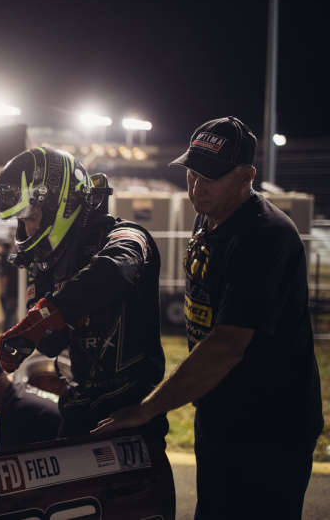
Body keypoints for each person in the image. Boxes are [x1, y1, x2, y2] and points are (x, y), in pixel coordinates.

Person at [92, 117, 324, 520]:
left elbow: (227, 345)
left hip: (270, 431)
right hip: (221, 416)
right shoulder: (210, 214)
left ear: (246, 177)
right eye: (192, 174)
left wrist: (149, 408)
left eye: (211, 178)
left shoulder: (265, 237)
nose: (197, 188)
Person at [0, 147, 168, 443]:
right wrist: (41, 289)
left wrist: (44, 314)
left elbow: (115, 270)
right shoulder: (48, 262)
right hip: (78, 410)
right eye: (20, 221)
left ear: (62, 203)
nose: (26, 229)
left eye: (30, 216)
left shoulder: (125, 235)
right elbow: (51, 343)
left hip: (130, 413)